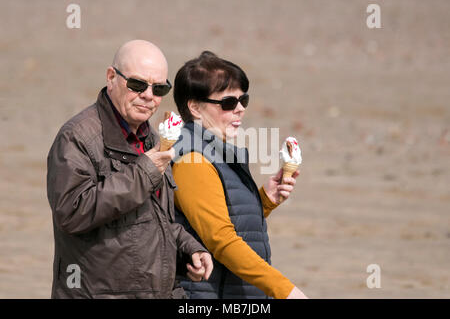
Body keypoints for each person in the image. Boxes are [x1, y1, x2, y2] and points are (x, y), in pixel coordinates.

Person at [46, 40, 212, 299]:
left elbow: (152, 222)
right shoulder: (76, 137)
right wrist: (144, 172)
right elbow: (72, 212)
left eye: (159, 88)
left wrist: (188, 250)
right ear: (111, 77)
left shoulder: (152, 139)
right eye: (137, 84)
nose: (148, 95)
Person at [171, 51, 307, 299]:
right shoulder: (192, 161)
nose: (240, 109)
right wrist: (286, 291)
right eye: (228, 103)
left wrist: (264, 200)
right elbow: (222, 240)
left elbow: (220, 221)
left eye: (243, 99)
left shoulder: (215, 152)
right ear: (195, 107)